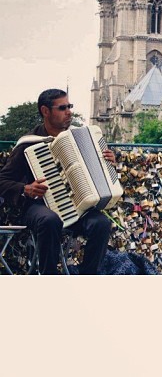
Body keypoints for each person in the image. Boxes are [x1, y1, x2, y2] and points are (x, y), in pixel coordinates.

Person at [0, 89, 115, 274]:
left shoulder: (80, 140)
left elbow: (96, 172)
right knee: (50, 220)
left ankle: (88, 278)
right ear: (45, 111)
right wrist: (25, 188)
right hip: (37, 206)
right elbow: (3, 180)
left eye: (69, 106)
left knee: (101, 223)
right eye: (62, 108)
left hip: (76, 206)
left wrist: (107, 163)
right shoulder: (28, 143)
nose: (68, 111)